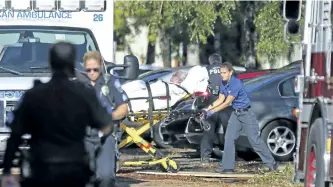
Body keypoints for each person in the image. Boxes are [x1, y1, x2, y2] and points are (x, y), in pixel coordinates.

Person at [1, 42, 114, 187]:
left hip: (42, 170)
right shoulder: (84, 94)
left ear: (50, 62)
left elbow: (15, 135)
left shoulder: (34, 95)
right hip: (75, 170)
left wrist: (7, 171)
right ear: (72, 62)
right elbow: (106, 124)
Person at [203, 62, 277, 174]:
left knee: (254, 140)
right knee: (229, 138)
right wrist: (206, 110)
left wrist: (211, 112)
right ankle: (227, 167)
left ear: (230, 72)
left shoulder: (235, 83)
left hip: (246, 113)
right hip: (236, 114)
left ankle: (271, 163)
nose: (222, 75)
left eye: (224, 73)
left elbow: (227, 102)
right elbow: (220, 100)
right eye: (221, 73)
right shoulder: (223, 83)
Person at [77, 51, 129, 187]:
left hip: (105, 135)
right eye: (88, 70)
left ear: (101, 66)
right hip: (83, 136)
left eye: (95, 69)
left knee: (106, 177)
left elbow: (123, 108)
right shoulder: (78, 85)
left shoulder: (110, 82)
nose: (92, 72)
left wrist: (108, 117)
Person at [200, 53, 224, 163]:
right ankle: (230, 154)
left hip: (211, 100)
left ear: (211, 61)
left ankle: (205, 156)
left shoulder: (206, 70)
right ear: (220, 60)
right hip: (225, 100)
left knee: (209, 129)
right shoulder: (226, 68)